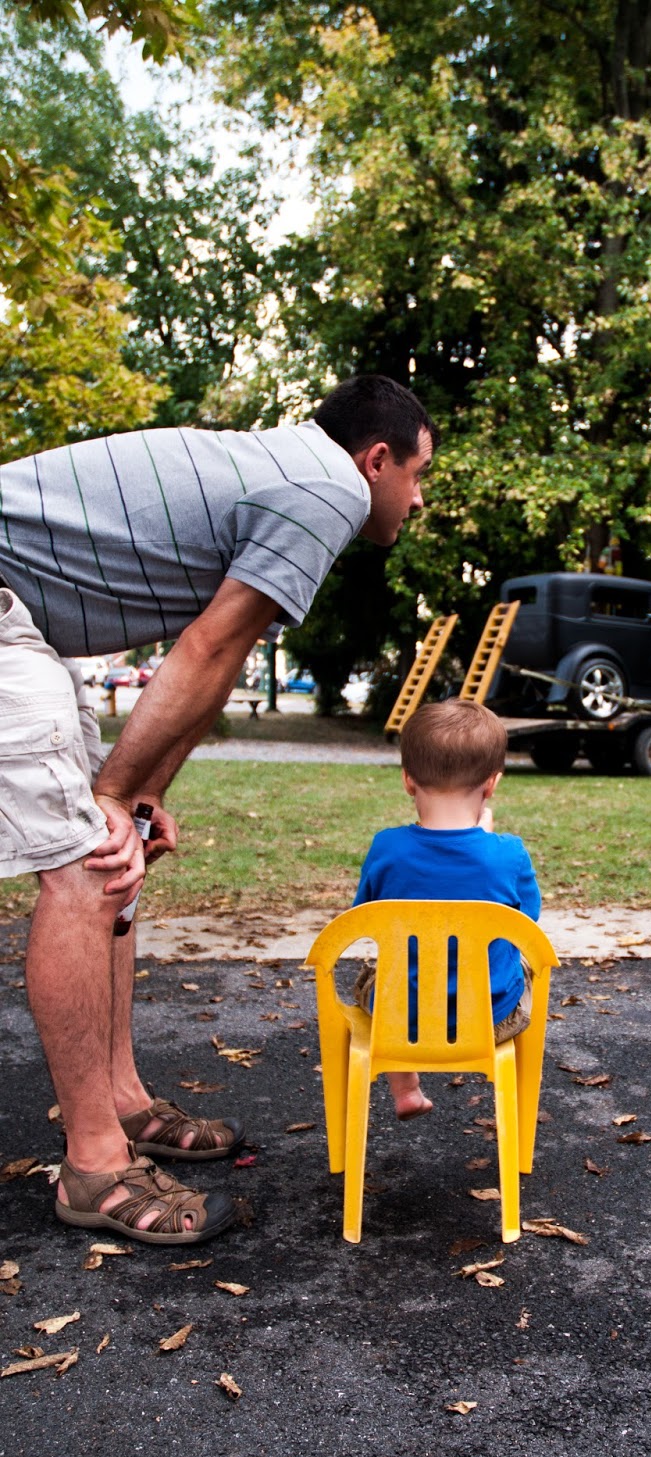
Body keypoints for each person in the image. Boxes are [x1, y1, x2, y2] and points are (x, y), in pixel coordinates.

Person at [0, 374, 438, 1244]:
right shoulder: (327, 492)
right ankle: (93, 1168)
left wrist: (145, 788)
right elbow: (207, 647)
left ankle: (120, 1104)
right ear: (376, 459)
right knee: (91, 865)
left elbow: (216, 664)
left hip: (32, 626)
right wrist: (114, 794)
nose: (416, 499)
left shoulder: (288, 474)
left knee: (114, 861)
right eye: (418, 477)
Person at [350, 699, 541, 1120]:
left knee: (375, 980)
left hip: (400, 1020)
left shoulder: (387, 848)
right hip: (491, 1018)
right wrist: (484, 842)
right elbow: (527, 922)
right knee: (523, 964)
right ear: (492, 784)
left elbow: (362, 916)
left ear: (407, 780)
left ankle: (406, 1085)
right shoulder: (508, 854)